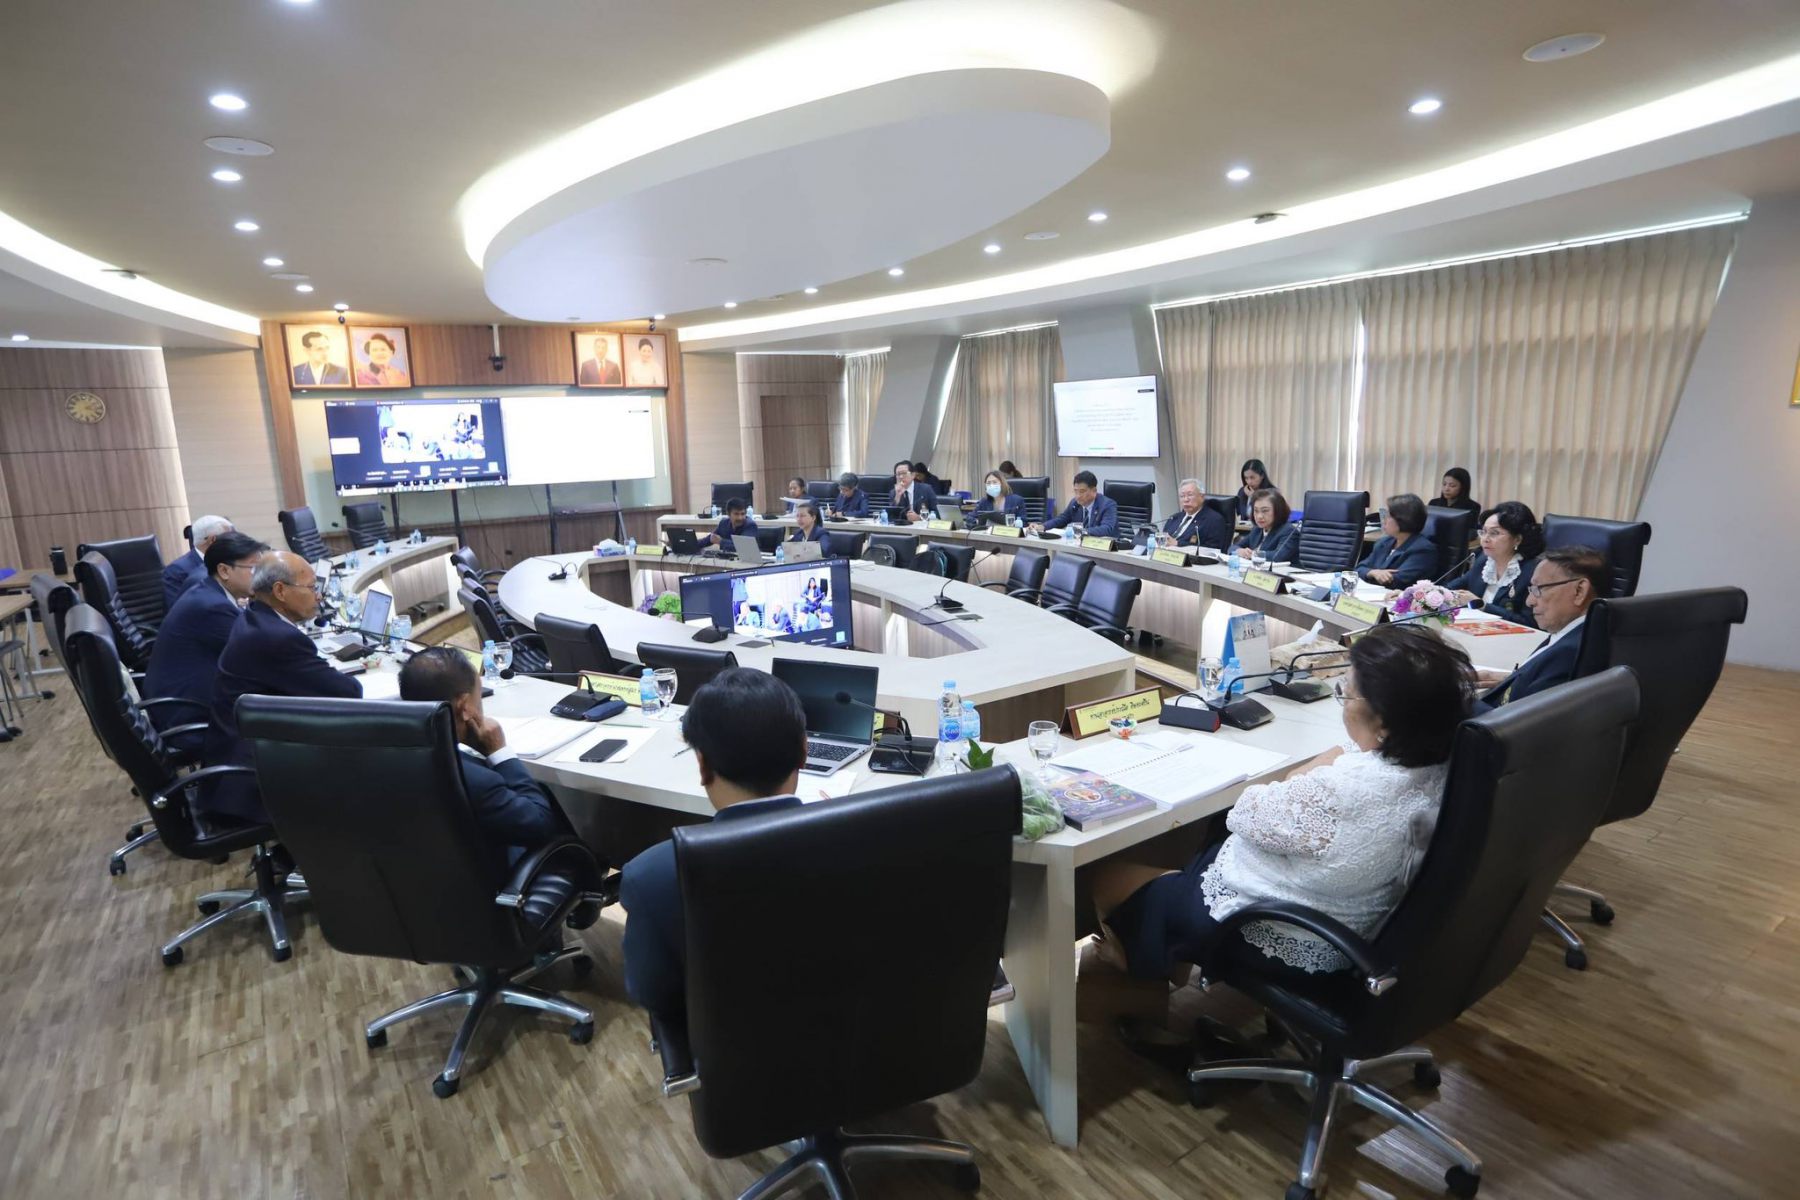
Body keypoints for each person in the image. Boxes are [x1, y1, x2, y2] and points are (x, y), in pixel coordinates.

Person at [1091, 623, 1473, 983]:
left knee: (1106, 877)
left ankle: (1140, 967)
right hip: (1351, 923)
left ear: (1385, 723)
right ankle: (1165, 954)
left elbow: (1243, 813)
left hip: (1279, 930)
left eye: (1346, 692)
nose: (1341, 701)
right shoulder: (1442, 764)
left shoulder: (1340, 791)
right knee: (1201, 846)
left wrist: (1298, 775)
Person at [621, 669, 807, 1024]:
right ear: (804, 752)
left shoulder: (651, 877)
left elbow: (650, 991)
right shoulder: (867, 844)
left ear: (703, 765)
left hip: (733, 1050)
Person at [200, 552, 363, 824]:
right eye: (311, 587)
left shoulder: (254, 616)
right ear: (280, 591)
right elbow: (349, 693)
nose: (318, 596)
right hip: (251, 782)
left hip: (233, 761)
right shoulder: (277, 638)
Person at [397, 647, 572, 870]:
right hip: (492, 883)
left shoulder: (379, 758)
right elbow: (540, 825)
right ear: (465, 707)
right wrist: (500, 753)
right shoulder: (474, 779)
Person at [144, 532, 266, 745]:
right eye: (254, 569)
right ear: (224, 570)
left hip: (184, 703)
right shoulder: (213, 607)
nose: (261, 577)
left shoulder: (208, 590)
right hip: (190, 719)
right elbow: (259, 657)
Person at [1475, 545, 1607, 705]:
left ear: (1579, 591)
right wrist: (1514, 679)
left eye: (1539, 589)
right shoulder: (1579, 633)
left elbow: (1519, 716)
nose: (1529, 601)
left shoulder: (1569, 653)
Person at [1444, 501, 1542, 626]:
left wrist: (1482, 606)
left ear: (1517, 539)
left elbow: (1530, 622)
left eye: (1494, 533)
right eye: (1483, 532)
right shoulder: (1484, 561)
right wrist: (1432, 592)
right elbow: (1452, 588)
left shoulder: (1533, 572)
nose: (1485, 539)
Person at [1358, 493, 1436, 587]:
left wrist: (1372, 574)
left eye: (1388, 516)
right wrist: (1372, 572)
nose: (1384, 520)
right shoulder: (1384, 542)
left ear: (1403, 519)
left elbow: (1397, 581)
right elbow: (1359, 568)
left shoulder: (1422, 549)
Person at [162, 514, 234, 609]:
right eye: (230, 538)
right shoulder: (177, 571)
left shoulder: (227, 561)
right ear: (213, 540)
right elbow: (178, 610)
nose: (234, 543)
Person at [1033, 470, 1118, 537]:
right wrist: (1043, 526)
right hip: (1080, 546)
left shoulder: (1107, 505)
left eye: (1082, 491)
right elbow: (1062, 519)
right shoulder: (1075, 503)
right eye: (1076, 491)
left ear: (1094, 491)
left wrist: (1081, 532)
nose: (1078, 496)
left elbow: (1106, 529)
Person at [1232, 488, 1299, 563]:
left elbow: (1277, 556)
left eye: (1265, 511)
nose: (1259, 516)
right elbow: (1232, 548)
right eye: (1256, 511)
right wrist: (1239, 551)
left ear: (1278, 511)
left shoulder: (1289, 531)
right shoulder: (1257, 529)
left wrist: (1252, 554)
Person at [1159, 478, 1228, 551]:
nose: (1185, 499)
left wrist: (1178, 544)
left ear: (1202, 497)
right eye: (1182, 496)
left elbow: (1212, 549)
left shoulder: (1214, 520)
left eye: (1190, 495)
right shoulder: (1174, 518)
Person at [891, 460, 938, 524]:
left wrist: (920, 517)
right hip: (902, 528)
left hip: (922, 528)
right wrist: (897, 496)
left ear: (913, 475)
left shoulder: (926, 489)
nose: (901, 477)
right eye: (898, 474)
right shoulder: (894, 492)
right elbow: (891, 516)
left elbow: (937, 514)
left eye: (904, 473)